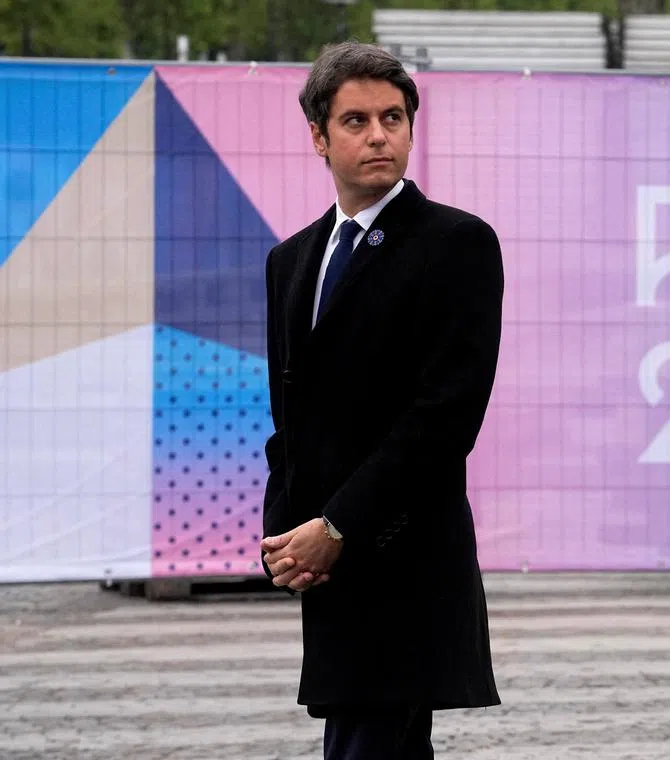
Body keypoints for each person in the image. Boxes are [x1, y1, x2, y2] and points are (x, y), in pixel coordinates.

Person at [257, 41, 503, 760]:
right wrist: (287, 539)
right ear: (318, 137)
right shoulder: (292, 260)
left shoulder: (456, 244)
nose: (378, 136)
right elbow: (290, 421)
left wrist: (336, 526)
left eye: (392, 118)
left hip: (404, 558)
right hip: (329, 569)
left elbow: (445, 416)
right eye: (357, 120)